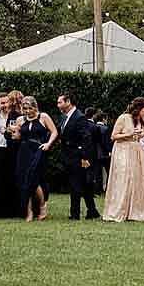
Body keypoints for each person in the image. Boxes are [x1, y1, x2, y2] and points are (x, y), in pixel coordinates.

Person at [104, 98, 144, 223]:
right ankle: (118, 210)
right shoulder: (123, 118)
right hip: (123, 151)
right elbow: (114, 136)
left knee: (136, 181)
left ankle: (134, 211)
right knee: (123, 180)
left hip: (136, 152)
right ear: (138, 108)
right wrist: (130, 134)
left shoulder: (142, 121)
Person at [55, 92, 98, 220]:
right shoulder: (64, 117)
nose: (58, 105)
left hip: (77, 156)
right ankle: (92, 211)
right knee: (83, 185)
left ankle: (75, 213)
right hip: (67, 155)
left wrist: (85, 157)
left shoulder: (79, 117)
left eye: (60, 102)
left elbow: (86, 138)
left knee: (76, 185)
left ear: (68, 102)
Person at [14, 96, 57, 221]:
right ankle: (29, 211)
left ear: (35, 107)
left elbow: (54, 132)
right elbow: (17, 137)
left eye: (30, 108)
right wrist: (9, 132)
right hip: (24, 152)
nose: (27, 111)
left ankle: (42, 206)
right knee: (24, 181)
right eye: (25, 108)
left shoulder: (43, 117)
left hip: (38, 151)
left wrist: (48, 144)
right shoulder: (20, 120)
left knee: (34, 180)